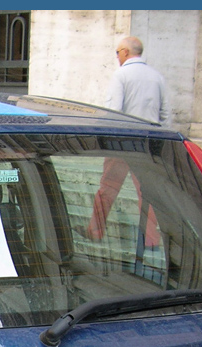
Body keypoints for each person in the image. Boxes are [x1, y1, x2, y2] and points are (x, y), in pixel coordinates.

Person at [80, 36, 169, 244]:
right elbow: (165, 114)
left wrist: (105, 141)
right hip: (147, 143)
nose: (117, 56)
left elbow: (114, 112)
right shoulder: (157, 77)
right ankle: (152, 239)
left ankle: (95, 231)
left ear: (126, 52)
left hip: (122, 143)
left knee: (108, 189)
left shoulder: (121, 75)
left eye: (117, 52)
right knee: (147, 193)